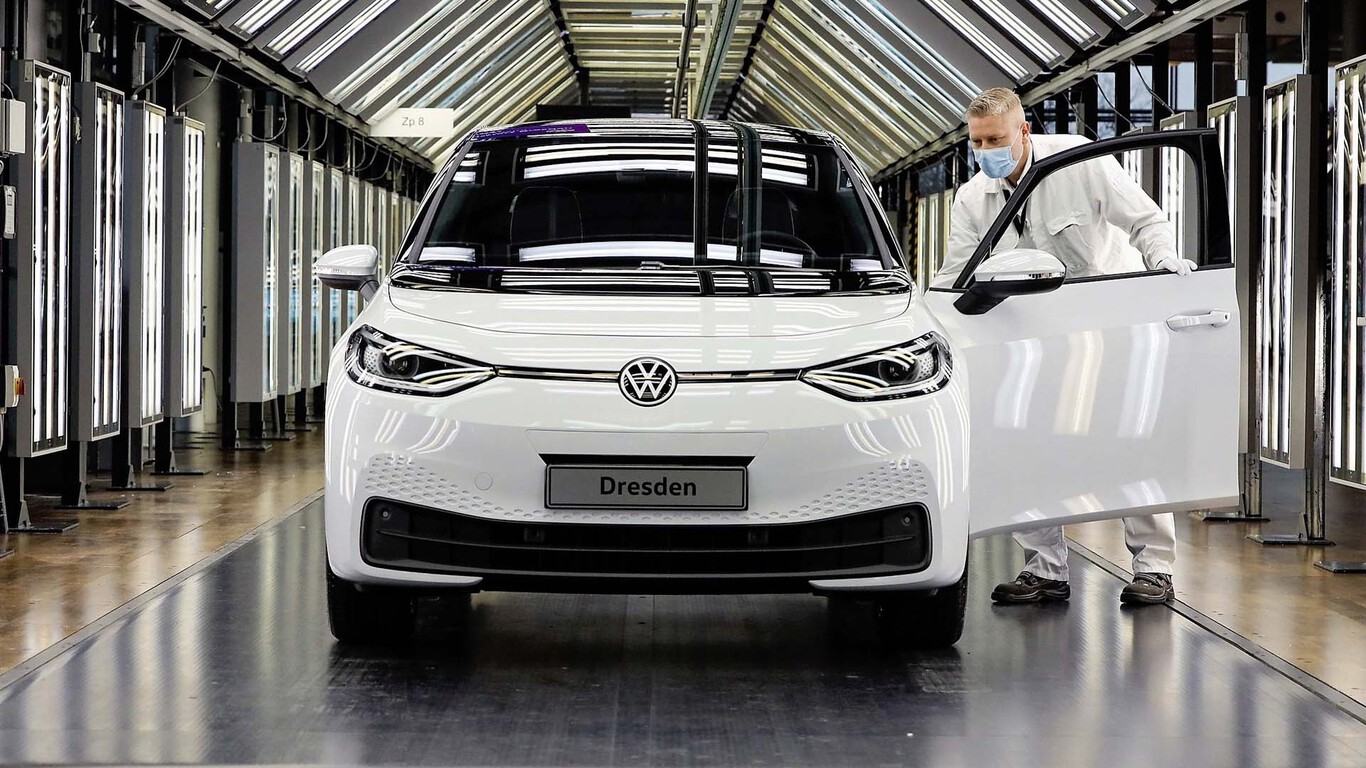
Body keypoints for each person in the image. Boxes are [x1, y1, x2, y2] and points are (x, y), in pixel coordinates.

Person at [937, 87, 1198, 606]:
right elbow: (956, 274)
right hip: (1026, 336)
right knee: (1024, 444)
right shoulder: (971, 198)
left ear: (1024, 131)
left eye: (996, 139)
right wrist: (935, 319)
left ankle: (1155, 569)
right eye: (978, 141)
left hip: (1107, 324)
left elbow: (1145, 220)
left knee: (1129, 442)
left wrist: (1164, 263)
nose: (986, 150)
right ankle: (1045, 571)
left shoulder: (1079, 163)